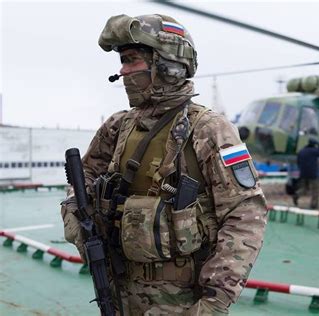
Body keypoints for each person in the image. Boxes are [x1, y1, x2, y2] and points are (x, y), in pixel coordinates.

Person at [60, 14, 267, 315]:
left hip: (181, 302)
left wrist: (214, 300)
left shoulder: (209, 129)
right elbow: (84, 179)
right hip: (117, 290)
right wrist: (75, 215)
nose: (122, 71)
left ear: (168, 66)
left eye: (131, 60)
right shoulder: (118, 126)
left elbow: (246, 214)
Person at [293, 138, 319, 209]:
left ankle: (297, 194)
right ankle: (314, 205)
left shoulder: (301, 151)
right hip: (313, 173)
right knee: (315, 190)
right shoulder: (314, 151)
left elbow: (298, 162)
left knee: (304, 188)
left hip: (303, 173)